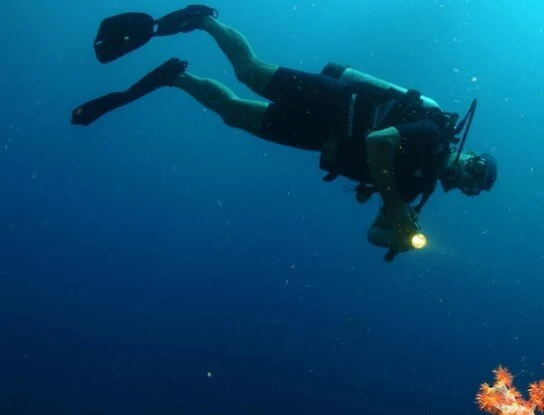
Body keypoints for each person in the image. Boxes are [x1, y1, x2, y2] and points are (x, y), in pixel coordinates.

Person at [71, 5, 497, 261]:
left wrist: (403, 235)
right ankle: (204, 20)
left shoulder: (416, 188)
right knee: (250, 72)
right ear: (469, 153)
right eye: (474, 168)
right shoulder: (434, 134)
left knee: (233, 114)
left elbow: (374, 235)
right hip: (339, 104)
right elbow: (377, 142)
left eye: (472, 185)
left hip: (320, 137)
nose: (466, 177)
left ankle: (175, 78)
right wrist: (393, 203)